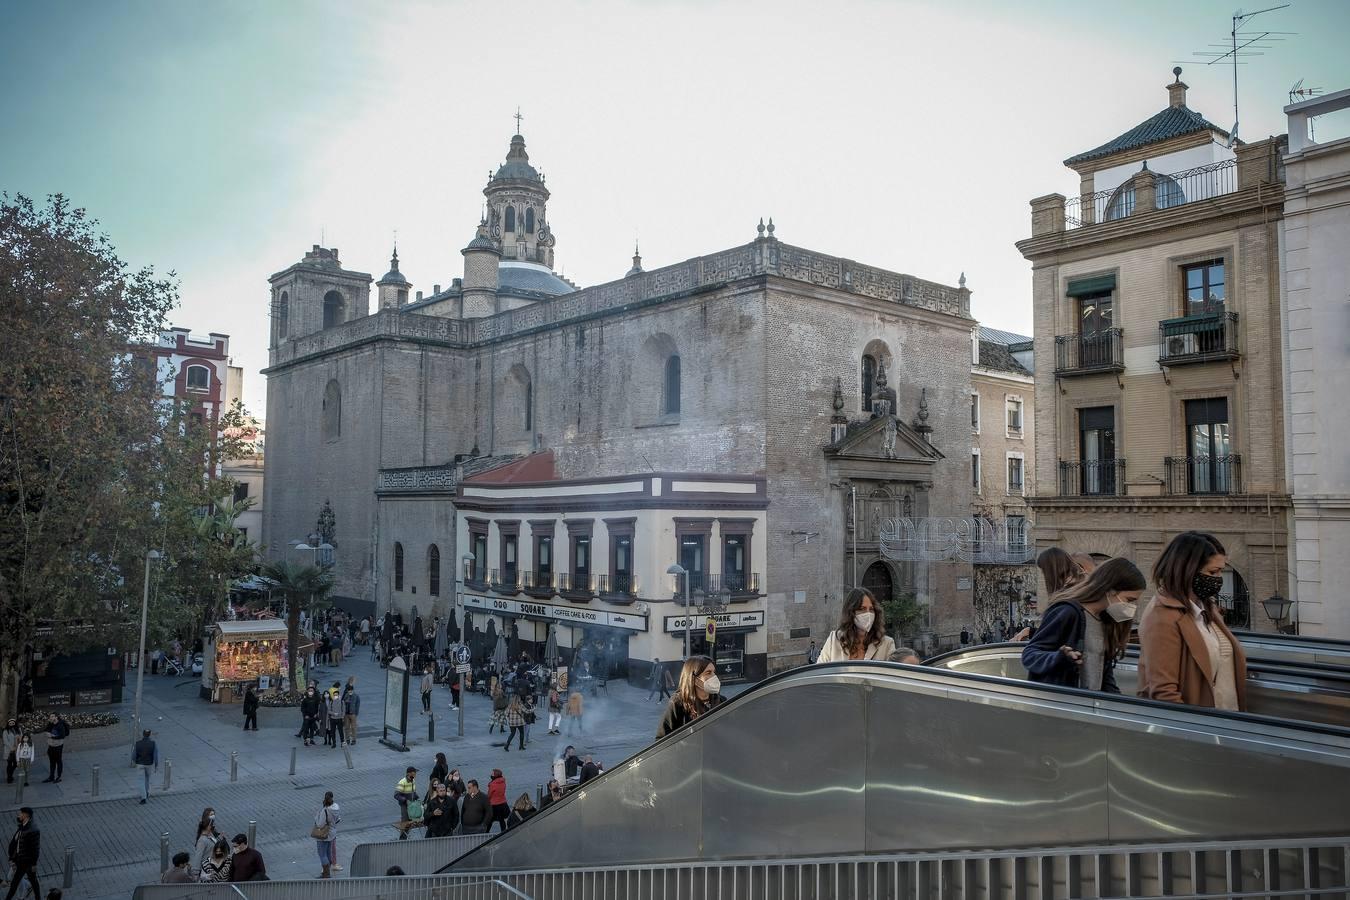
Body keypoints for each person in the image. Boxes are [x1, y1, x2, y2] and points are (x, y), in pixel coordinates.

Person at [1138, 531, 1248, 711]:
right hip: (1202, 728)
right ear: (1187, 570)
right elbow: (1164, 691)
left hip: (1228, 720)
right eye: (1213, 571)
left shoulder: (1206, 607)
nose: (1219, 578)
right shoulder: (1161, 617)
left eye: (1222, 571)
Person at [1022, 557, 1144, 692]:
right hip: (1063, 705)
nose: (1132, 607)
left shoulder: (1107, 622)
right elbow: (1030, 654)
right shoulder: (1067, 612)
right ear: (1110, 589)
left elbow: (1104, 676)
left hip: (1089, 707)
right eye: (1129, 600)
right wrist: (1059, 658)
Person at [815, 588, 895, 662]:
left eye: (871, 609)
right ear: (851, 612)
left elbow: (894, 674)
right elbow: (819, 672)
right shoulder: (834, 640)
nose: (868, 614)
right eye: (862, 609)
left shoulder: (886, 644)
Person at [656, 655, 725, 739]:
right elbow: (661, 739)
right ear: (694, 679)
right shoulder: (678, 703)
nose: (714, 676)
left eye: (714, 672)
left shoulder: (721, 701)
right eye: (708, 672)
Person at [4, 807, 40, 900]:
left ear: (26, 815)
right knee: (31, 882)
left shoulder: (33, 830)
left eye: (20, 814)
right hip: (20, 861)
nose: (18, 815)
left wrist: (34, 864)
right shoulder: (22, 826)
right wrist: (12, 858)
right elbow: (17, 844)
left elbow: (35, 849)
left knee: (16, 883)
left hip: (26, 862)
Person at [313, 791, 340, 879]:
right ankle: (327, 873)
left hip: (324, 834)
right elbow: (337, 819)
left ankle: (326, 873)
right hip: (332, 833)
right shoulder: (336, 807)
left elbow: (320, 824)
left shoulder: (325, 810)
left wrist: (317, 816)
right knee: (328, 853)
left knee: (322, 854)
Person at [132, 729, 158, 804]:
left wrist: (135, 761)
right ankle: (146, 792)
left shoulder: (138, 743)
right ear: (150, 735)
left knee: (140, 780)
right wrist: (156, 765)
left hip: (140, 764)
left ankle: (143, 798)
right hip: (149, 764)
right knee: (147, 778)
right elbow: (155, 755)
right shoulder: (153, 743)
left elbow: (133, 756)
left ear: (142, 734)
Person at [193, 809, 220, 878]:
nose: (213, 816)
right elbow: (198, 857)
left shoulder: (211, 834)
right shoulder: (202, 840)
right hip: (207, 870)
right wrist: (196, 873)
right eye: (211, 814)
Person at [42, 714, 68, 783]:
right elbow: (46, 730)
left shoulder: (60, 725)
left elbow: (62, 736)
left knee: (58, 761)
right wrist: (49, 733)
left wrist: (52, 736)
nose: (51, 718)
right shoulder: (51, 724)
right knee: (52, 762)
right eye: (50, 717)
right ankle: (51, 776)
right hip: (51, 746)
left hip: (58, 746)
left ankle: (59, 777)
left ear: (56, 717)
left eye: (52, 716)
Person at [394, 767, 420, 837]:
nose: (415, 774)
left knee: (410, 822)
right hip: (405, 806)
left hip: (412, 805)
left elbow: (413, 792)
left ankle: (406, 835)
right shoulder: (402, 782)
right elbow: (396, 795)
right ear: (409, 773)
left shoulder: (413, 781)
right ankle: (402, 839)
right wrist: (405, 800)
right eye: (414, 772)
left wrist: (417, 797)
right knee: (405, 823)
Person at [487, 768, 509, 833]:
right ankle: (504, 833)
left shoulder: (493, 784)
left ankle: (486, 833)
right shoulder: (503, 782)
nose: (491, 774)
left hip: (494, 805)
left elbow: (489, 795)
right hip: (503, 803)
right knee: (501, 820)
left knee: (490, 820)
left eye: (492, 773)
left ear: (495, 775)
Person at [343, 682, 360, 746]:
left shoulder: (356, 696)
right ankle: (347, 739)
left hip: (353, 714)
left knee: (353, 727)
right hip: (346, 714)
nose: (349, 691)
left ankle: (354, 739)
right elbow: (343, 703)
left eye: (350, 690)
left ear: (352, 690)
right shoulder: (346, 695)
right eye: (348, 690)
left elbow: (357, 705)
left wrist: (356, 713)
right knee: (346, 727)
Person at [3, 719, 18, 784]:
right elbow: (5, 741)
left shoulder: (18, 730)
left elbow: (21, 737)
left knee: (15, 764)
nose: (12, 724)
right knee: (9, 764)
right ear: (8, 724)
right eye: (10, 723)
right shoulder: (6, 731)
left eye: (13, 723)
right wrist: (11, 748)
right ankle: (9, 778)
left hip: (17, 750)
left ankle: (10, 775)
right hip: (9, 751)